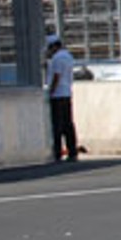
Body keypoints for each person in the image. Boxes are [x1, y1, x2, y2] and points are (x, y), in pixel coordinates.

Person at [46, 33, 79, 162]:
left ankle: (58, 152)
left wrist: (51, 91)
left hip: (58, 94)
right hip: (67, 92)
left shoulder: (57, 58)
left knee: (57, 125)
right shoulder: (68, 56)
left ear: (53, 47)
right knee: (68, 124)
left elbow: (56, 76)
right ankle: (72, 151)